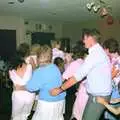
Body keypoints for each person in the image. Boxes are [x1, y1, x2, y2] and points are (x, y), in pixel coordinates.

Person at [50, 28, 112, 120]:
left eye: (85, 38)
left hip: (99, 96)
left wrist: (59, 89)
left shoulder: (95, 55)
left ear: (90, 38)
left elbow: (76, 77)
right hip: (98, 94)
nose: (83, 41)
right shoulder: (98, 52)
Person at [18, 45, 66, 120]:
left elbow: (31, 87)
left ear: (38, 57)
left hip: (48, 103)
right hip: (60, 102)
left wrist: (20, 87)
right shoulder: (55, 67)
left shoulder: (40, 71)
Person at [9, 52, 35, 120]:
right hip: (30, 95)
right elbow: (35, 76)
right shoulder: (29, 66)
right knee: (25, 116)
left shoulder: (11, 70)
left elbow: (14, 85)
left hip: (18, 95)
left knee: (15, 117)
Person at [103, 38, 120, 120]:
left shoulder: (118, 62)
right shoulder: (113, 59)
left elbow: (110, 77)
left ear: (107, 49)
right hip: (111, 94)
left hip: (115, 96)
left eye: (104, 49)